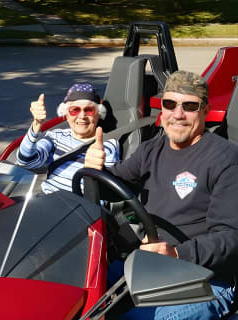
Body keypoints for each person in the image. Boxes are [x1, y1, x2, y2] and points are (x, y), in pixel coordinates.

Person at [85, 70, 238, 320]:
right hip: (151, 263)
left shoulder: (226, 160)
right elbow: (114, 184)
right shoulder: (152, 149)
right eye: (170, 104)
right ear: (162, 109)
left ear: (206, 110)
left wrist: (177, 253)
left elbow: (231, 238)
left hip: (207, 277)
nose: (178, 114)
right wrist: (95, 170)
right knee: (81, 287)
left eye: (189, 106)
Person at [17, 83, 120, 194]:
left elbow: (106, 188)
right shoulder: (56, 136)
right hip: (47, 198)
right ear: (66, 114)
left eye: (89, 110)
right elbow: (26, 161)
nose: (82, 116)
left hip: (83, 206)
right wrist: (36, 125)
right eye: (75, 110)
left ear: (98, 114)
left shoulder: (108, 144)